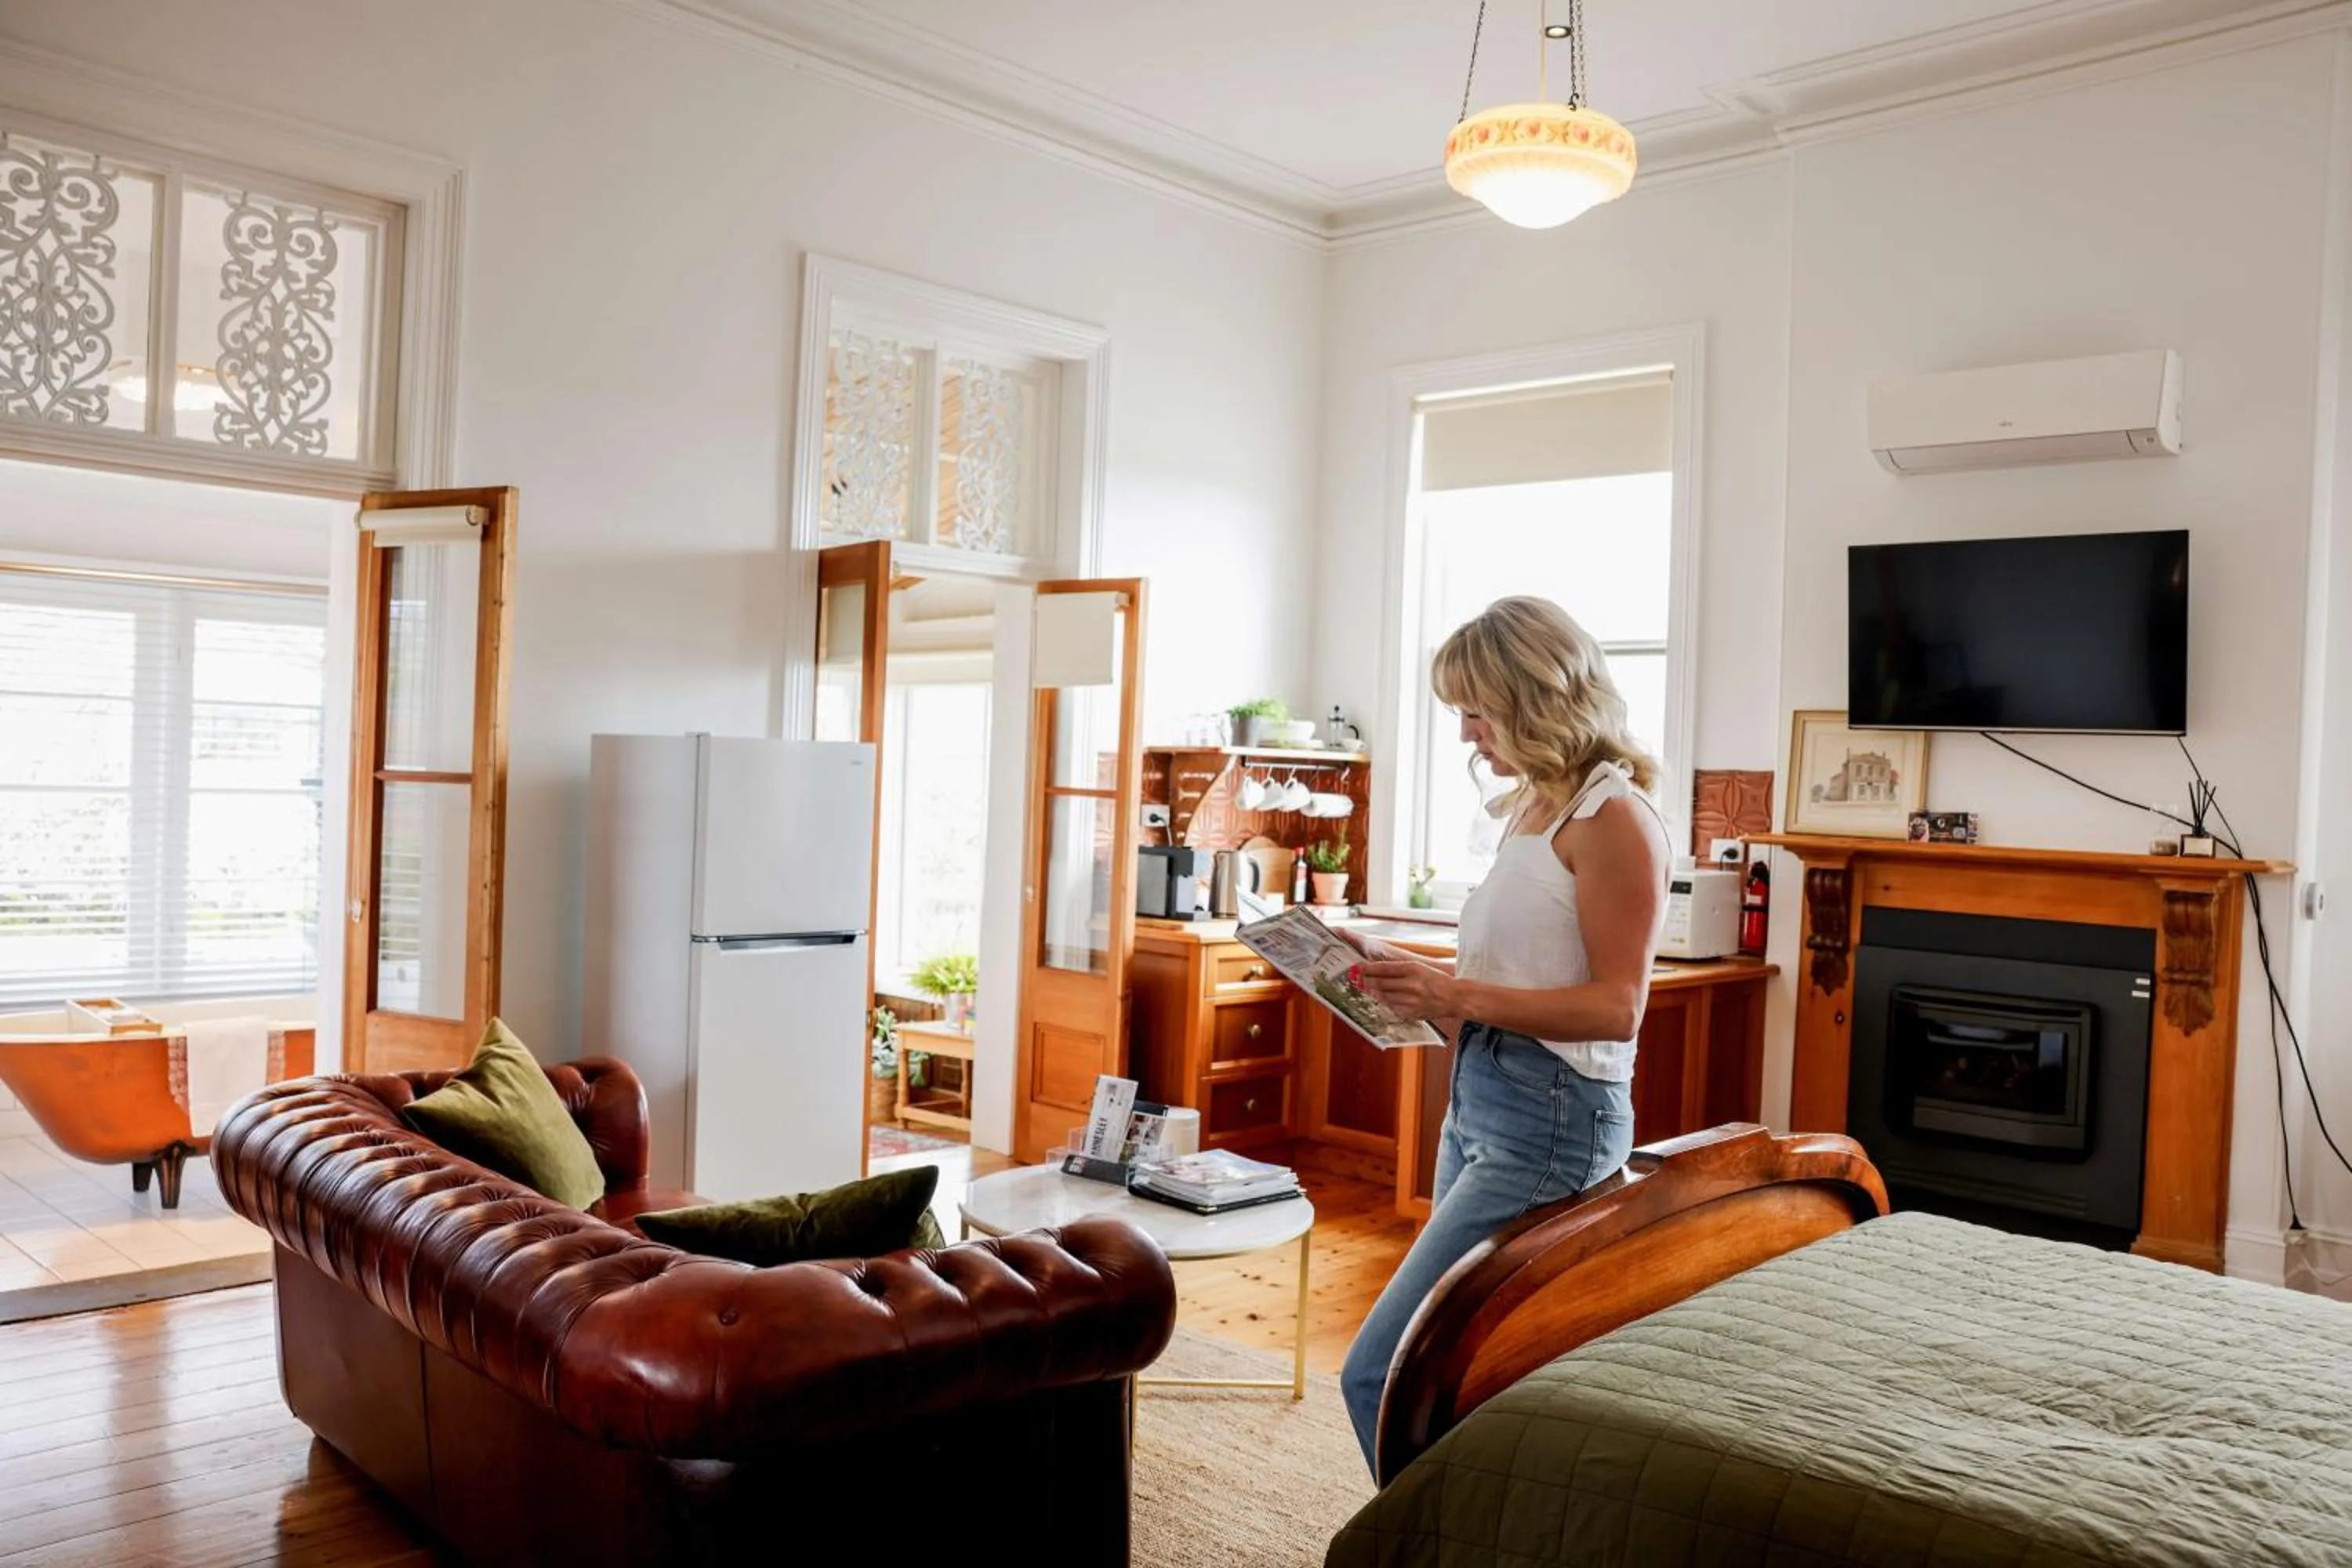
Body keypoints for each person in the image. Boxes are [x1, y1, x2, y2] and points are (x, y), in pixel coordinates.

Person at [1336, 595, 1671, 1473]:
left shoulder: (1615, 819)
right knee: (1453, 1368)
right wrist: (1384, 962)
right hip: (1486, 1096)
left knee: (1382, 1371)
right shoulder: (1535, 806)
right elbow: (1509, 974)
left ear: (1538, 698)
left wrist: (1455, 991)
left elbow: (1614, 1008)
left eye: (1476, 712)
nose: (1465, 735)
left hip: (1552, 1117)